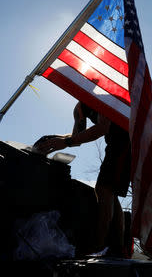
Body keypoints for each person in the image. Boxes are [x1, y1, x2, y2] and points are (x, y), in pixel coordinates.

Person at [34, 101, 131, 256]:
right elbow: (75, 138)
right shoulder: (79, 108)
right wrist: (54, 140)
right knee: (110, 192)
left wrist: (66, 142)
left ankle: (98, 248)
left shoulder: (103, 97)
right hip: (116, 143)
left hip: (126, 140)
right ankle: (119, 249)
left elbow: (102, 128)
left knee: (103, 189)